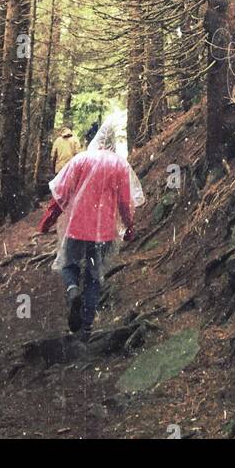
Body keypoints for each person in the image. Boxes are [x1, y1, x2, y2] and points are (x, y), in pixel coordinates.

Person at [39, 121, 144, 340]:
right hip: (104, 233)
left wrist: (47, 222)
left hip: (76, 227)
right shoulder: (119, 165)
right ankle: (86, 327)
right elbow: (125, 202)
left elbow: (62, 194)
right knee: (94, 277)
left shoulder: (80, 160)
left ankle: (72, 291)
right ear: (113, 143)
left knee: (69, 265)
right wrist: (129, 227)